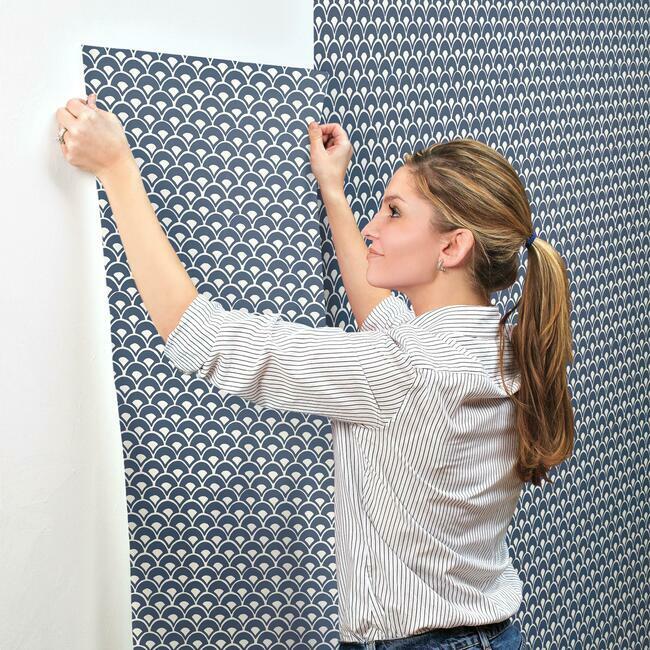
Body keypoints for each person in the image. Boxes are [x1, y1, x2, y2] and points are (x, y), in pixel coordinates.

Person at [56, 94, 575, 649]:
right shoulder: (503, 346)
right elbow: (383, 320)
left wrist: (117, 168)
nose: (374, 227)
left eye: (394, 212)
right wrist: (333, 191)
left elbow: (202, 337)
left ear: (452, 246)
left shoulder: (406, 369)